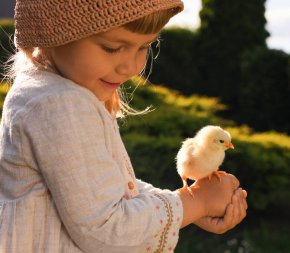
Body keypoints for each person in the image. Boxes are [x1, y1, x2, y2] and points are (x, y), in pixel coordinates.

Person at [0, 0, 248, 252]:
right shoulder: (59, 103)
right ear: (52, 31)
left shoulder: (54, 92)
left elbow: (110, 187)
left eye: (145, 46)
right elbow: (105, 228)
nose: (131, 67)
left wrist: (184, 206)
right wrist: (195, 202)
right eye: (112, 47)